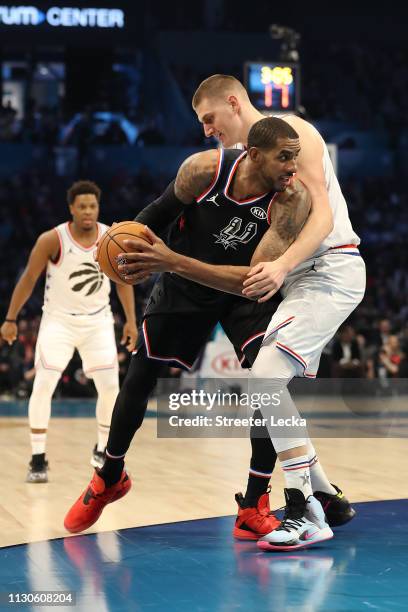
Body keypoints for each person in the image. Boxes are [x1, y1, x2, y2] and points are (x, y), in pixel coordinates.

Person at [64, 118, 354, 540]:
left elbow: (249, 279)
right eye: (285, 157)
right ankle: (110, 474)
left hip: (238, 291)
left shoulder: (292, 202)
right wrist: (123, 251)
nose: (295, 166)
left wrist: (169, 261)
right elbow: (154, 217)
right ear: (254, 155)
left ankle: (254, 503)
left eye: (297, 156)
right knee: (141, 374)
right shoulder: (204, 170)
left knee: (270, 383)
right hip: (182, 284)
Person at [132, 74, 363, 551]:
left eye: (209, 119)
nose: (206, 130)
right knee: (266, 381)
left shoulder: (297, 135)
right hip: (299, 277)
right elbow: (247, 269)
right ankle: (321, 491)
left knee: (263, 380)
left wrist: (280, 265)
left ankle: (306, 511)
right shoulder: (241, 172)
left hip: (326, 267)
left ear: (234, 104)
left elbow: (321, 217)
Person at [0, 180, 137, 483]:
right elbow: (28, 279)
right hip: (58, 321)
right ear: (71, 209)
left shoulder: (110, 238)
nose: (88, 211)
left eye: (93, 206)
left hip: (98, 322)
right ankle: (38, 458)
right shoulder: (52, 239)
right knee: (44, 384)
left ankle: (102, 449)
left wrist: (130, 320)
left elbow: (123, 281)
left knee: (111, 388)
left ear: (98, 208)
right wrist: (11, 318)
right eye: (82, 206)